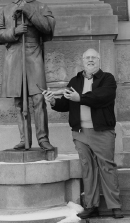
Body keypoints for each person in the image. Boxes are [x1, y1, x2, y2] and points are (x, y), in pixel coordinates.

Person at [43, 48, 124, 219]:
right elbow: (66, 103)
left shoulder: (107, 79)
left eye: (93, 57)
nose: (90, 60)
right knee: (88, 169)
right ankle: (91, 205)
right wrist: (53, 101)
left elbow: (103, 97)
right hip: (80, 133)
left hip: (102, 132)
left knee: (107, 168)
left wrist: (80, 98)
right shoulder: (75, 80)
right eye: (87, 57)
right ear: (82, 60)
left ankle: (115, 206)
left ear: (99, 60)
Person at [0, 0, 56, 150]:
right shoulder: (6, 9)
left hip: (33, 54)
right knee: (19, 101)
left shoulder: (41, 6)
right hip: (14, 57)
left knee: (38, 98)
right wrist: (13, 32)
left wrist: (29, 11)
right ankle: (24, 139)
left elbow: (49, 28)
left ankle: (43, 139)